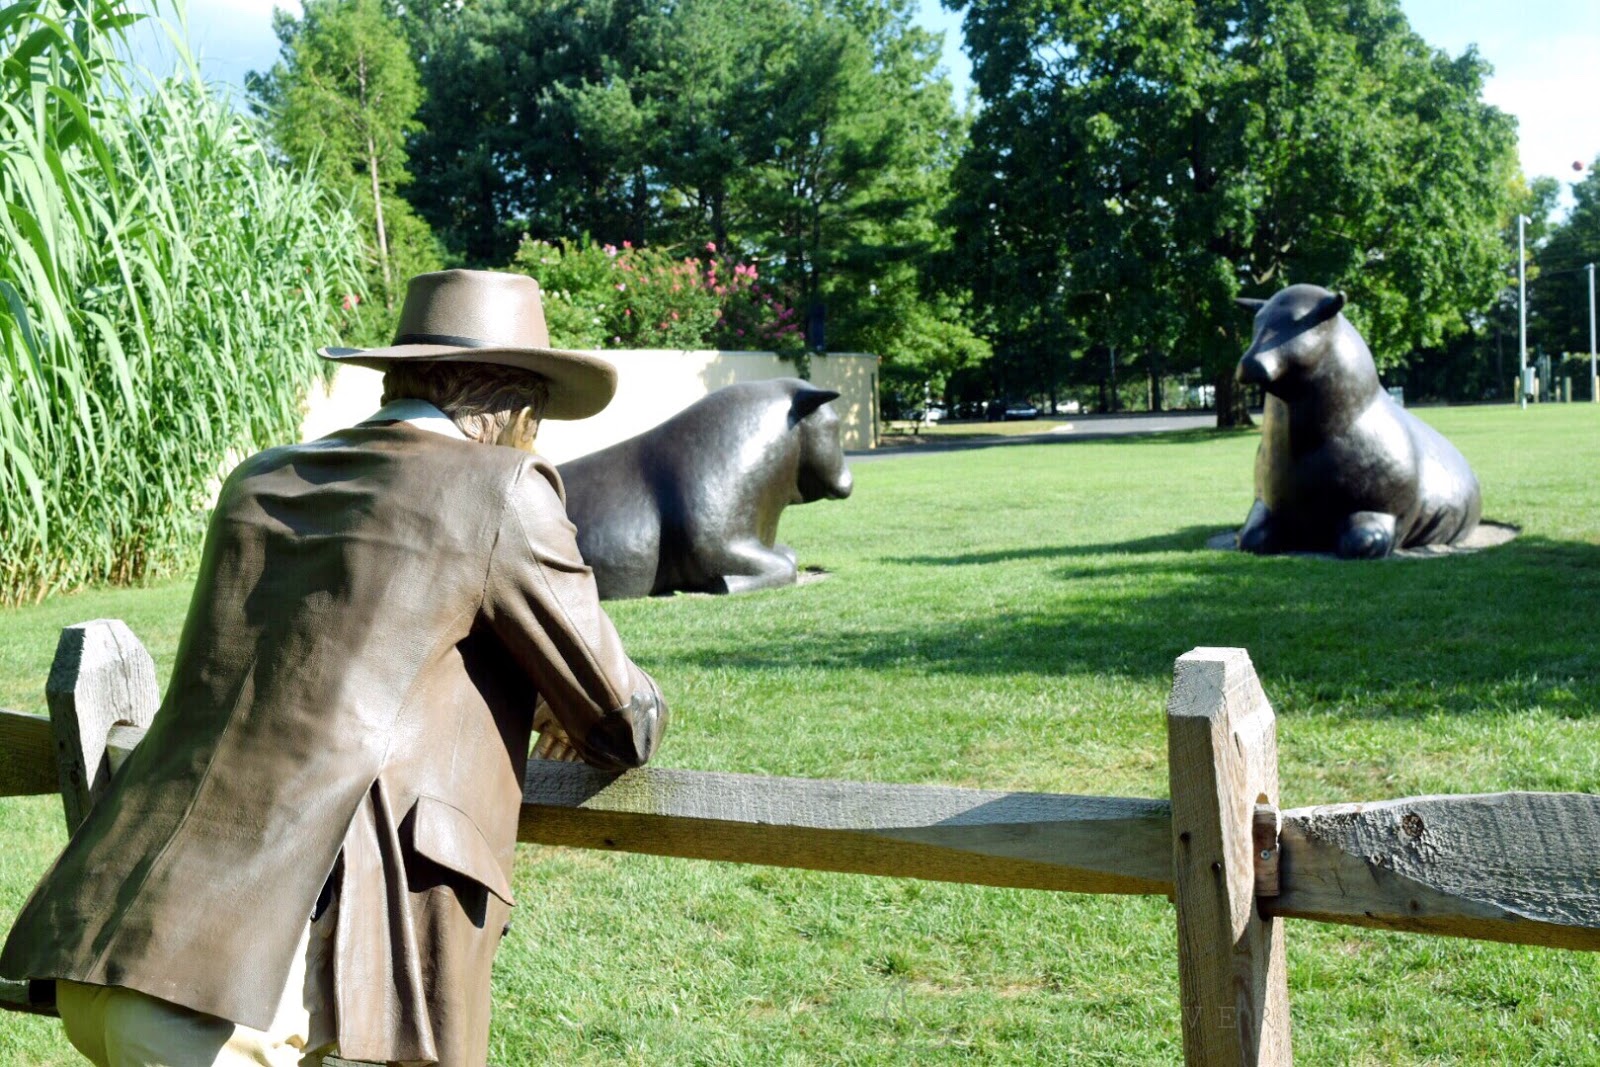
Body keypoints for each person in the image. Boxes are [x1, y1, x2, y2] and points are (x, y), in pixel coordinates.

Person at [0, 269, 667, 1066]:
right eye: (539, 416)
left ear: (399, 378)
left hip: (107, 948)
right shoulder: (502, 489)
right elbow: (622, 719)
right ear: (517, 408)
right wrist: (572, 699)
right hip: (247, 1002)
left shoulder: (260, 478)